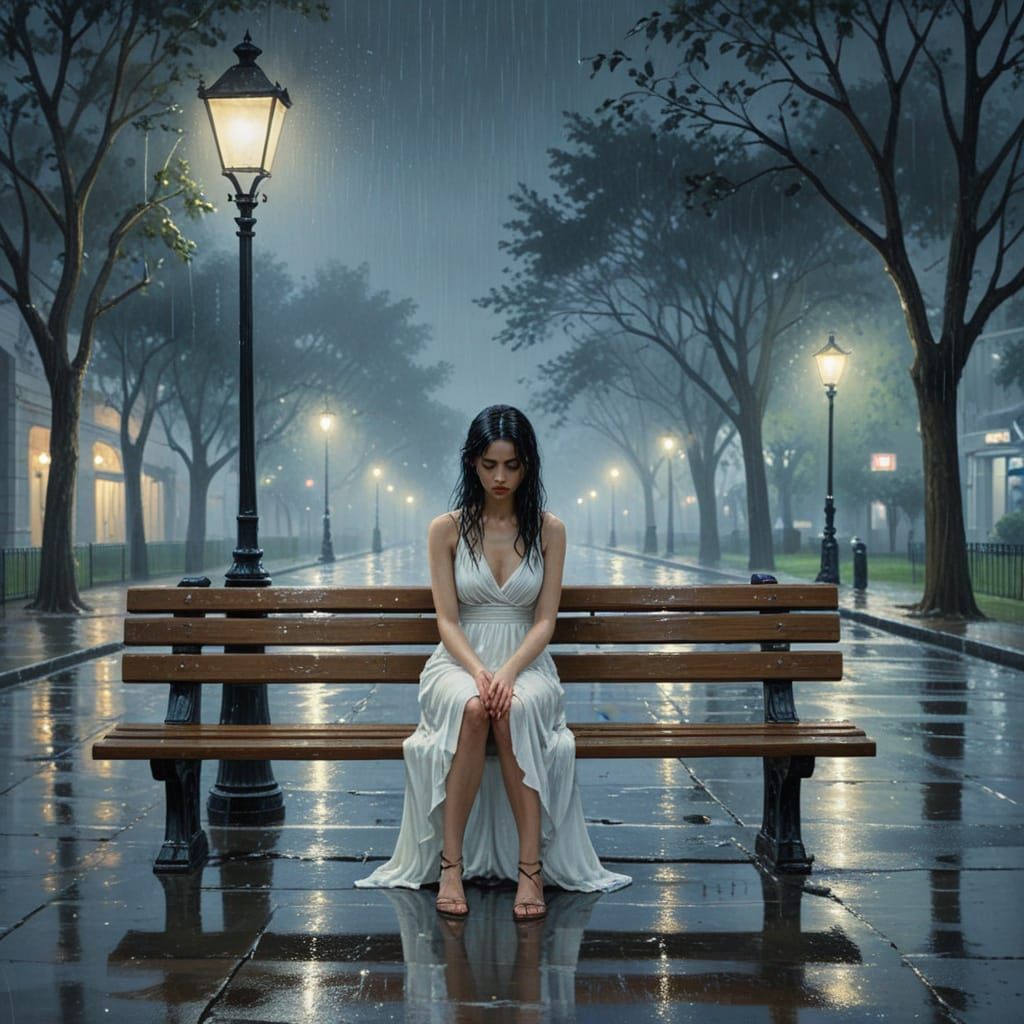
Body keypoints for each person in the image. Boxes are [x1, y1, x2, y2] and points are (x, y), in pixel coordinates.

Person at [356, 405, 630, 919]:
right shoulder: (447, 530)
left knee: (514, 707)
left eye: (512, 464)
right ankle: (450, 865)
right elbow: (447, 623)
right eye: (489, 465)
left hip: (526, 662)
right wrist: (481, 673)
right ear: (471, 464)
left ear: (528, 466)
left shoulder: (550, 531)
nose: (500, 477)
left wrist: (505, 673)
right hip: (458, 662)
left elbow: (545, 622)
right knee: (475, 708)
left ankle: (531, 871)